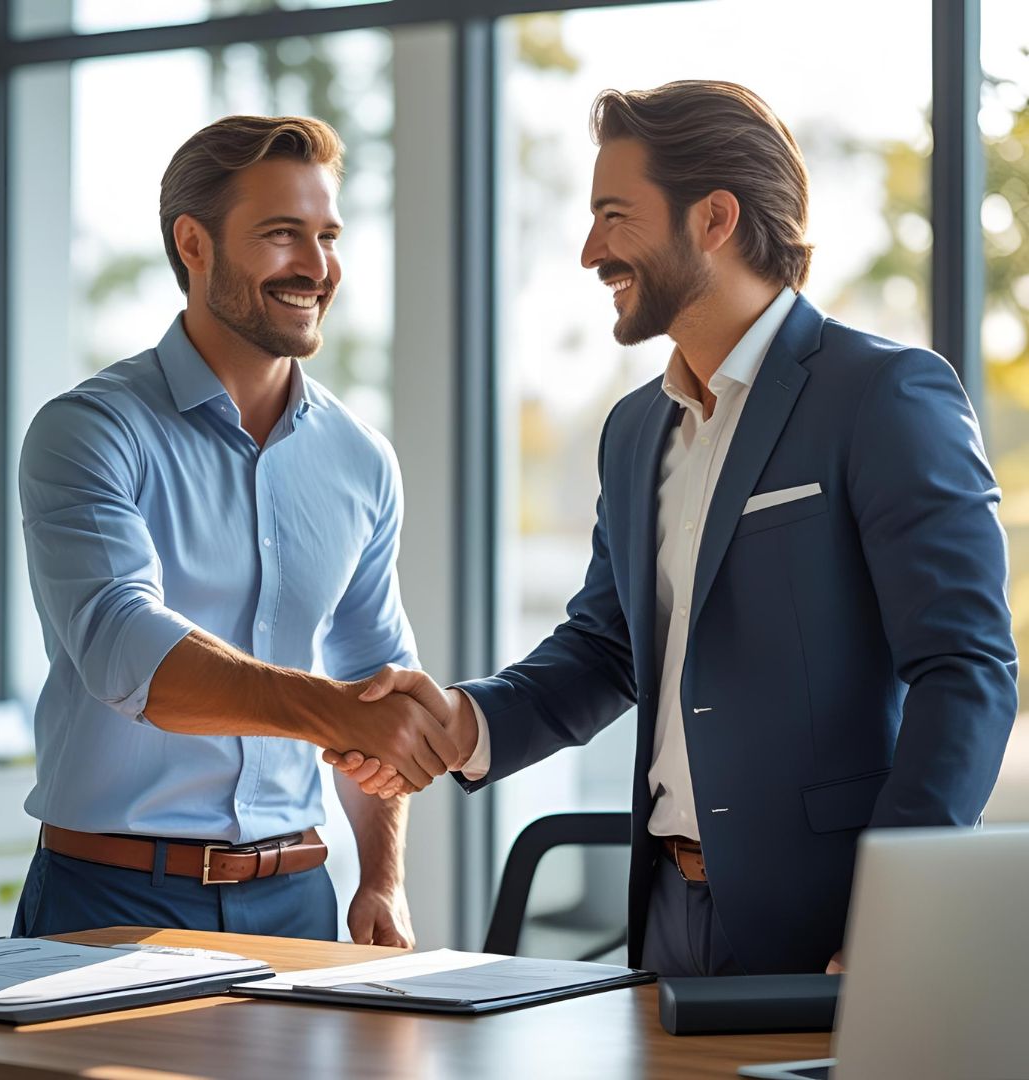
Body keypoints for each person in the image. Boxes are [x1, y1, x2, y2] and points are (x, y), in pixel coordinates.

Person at [328, 81, 1019, 976]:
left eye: (615, 216)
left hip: (834, 927)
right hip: (661, 920)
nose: (588, 252)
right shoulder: (633, 432)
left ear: (715, 219)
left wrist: (897, 912)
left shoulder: (884, 395)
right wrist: (465, 721)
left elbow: (965, 670)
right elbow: (606, 647)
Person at [13, 114, 460, 945]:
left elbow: (375, 678)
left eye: (327, 235)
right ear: (195, 243)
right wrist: (335, 712)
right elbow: (125, 648)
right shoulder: (89, 432)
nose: (317, 267)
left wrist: (383, 877)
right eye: (282, 235)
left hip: (300, 900)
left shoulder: (362, 461)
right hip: (110, 902)